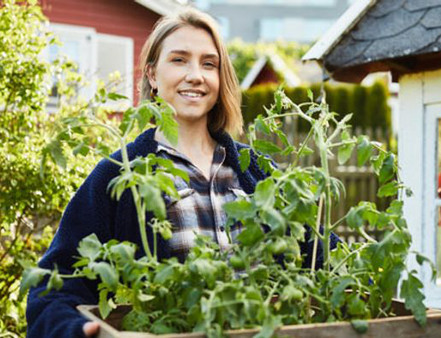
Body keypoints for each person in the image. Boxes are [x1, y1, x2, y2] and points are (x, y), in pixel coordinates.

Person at [26, 8, 338, 338]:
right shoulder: (119, 174)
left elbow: (324, 259)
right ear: (152, 76)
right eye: (179, 60)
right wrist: (78, 329)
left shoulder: (258, 172)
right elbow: (53, 287)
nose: (195, 75)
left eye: (209, 64)